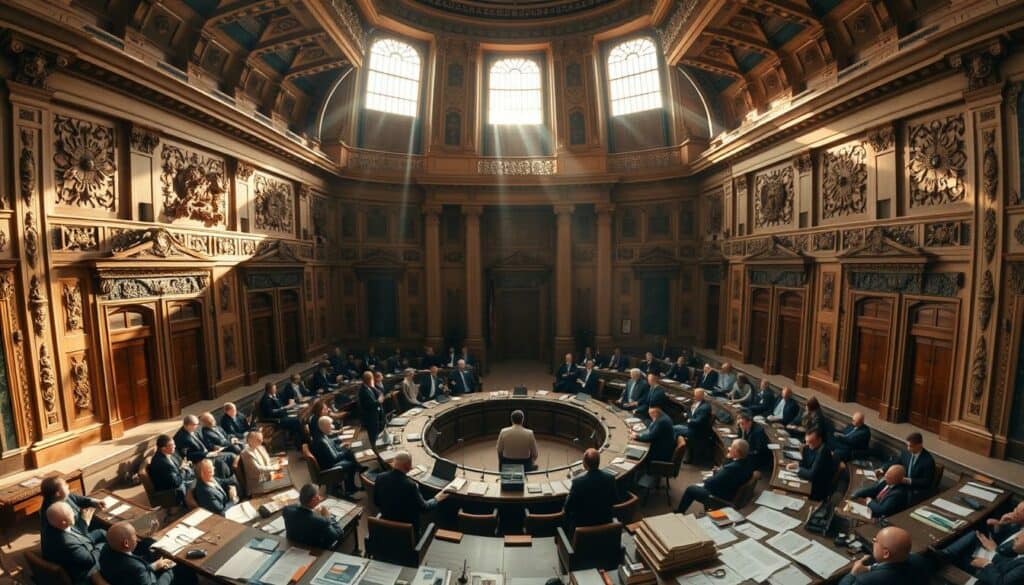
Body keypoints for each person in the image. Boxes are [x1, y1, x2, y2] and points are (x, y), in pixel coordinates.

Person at [374, 451, 448, 534]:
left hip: (385, 528)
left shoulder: (380, 477)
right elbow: (425, 508)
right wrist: (436, 499)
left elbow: (377, 502)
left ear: (394, 463)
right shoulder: (410, 485)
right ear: (408, 466)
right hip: (409, 532)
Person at [938, 501, 1024, 572]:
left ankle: (944, 557)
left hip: (992, 563)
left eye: (1017, 512)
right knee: (976, 531)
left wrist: (994, 549)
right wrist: (999, 525)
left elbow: (1011, 564)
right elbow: (1002, 538)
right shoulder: (1017, 525)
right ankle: (945, 553)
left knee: (961, 554)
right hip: (992, 551)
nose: (1013, 512)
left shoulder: (1021, 538)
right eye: (1015, 508)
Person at [99, 521, 192, 585]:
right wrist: (168, 572)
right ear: (126, 543)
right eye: (134, 536)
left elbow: (132, 572)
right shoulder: (137, 568)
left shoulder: (106, 549)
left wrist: (155, 566)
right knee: (184, 570)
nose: (137, 538)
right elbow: (137, 571)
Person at [676, 439, 752, 513]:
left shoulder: (732, 468)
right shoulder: (747, 464)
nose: (729, 448)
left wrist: (707, 479)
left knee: (691, 489)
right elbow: (727, 476)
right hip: (730, 491)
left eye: (731, 447)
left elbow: (710, 483)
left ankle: (679, 512)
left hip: (720, 497)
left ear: (737, 452)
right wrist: (722, 469)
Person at [42, 502, 102, 584]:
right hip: (83, 572)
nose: (74, 513)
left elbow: (79, 535)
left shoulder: (53, 524)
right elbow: (90, 560)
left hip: (80, 544)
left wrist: (85, 522)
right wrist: (102, 546)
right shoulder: (67, 543)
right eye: (71, 513)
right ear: (64, 522)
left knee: (101, 532)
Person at [563, 449, 621, 531]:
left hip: (582, 528)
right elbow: (615, 500)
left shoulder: (577, 483)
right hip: (605, 523)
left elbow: (567, 508)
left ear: (584, 464)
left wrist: (568, 495)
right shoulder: (610, 478)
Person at [838, 526, 917, 585]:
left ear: (886, 553)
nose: (873, 543)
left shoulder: (864, 581)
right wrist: (870, 568)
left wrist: (853, 573)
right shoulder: (918, 560)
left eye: (875, 541)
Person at [40, 476, 106, 543]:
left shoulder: (62, 497)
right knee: (103, 532)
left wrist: (93, 501)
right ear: (58, 493)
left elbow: (78, 499)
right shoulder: (54, 513)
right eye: (65, 485)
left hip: (82, 525)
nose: (67, 485)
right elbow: (71, 535)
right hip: (77, 539)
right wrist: (85, 522)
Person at [282, 484, 346, 550]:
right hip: (313, 550)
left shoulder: (287, 510)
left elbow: (300, 512)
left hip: (294, 545)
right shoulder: (320, 521)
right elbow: (339, 534)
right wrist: (328, 516)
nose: (320, 498)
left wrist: (311, 511)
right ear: (313, 499)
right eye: (318, 495)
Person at [173, 414, 236, 479]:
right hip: (199, 459)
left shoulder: (192, 430)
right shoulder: (181, 438)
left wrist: (213, 447)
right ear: (189, 425)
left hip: (208, 453)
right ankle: (224, 480)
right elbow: (187, 456)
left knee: (231, 456)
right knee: (221, 463)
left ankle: (233, 477)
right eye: (196, 424)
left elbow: (202, 443)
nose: (198, 426)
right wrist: (206, 454)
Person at [310, 416, 360, 496]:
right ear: (324, 427)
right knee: (351, 462)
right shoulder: (322, 442)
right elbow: (334, 458)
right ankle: (350, 488)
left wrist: (342, 447)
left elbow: (333, 448)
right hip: (329, 467)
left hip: (328, 461)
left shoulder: (322, 435)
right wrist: (345, 452)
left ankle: (352, 483)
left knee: (349, 453)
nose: (333, 427)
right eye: (330, 425)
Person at [880, 432, 936, 498]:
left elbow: (926, 482)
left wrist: (906, 480)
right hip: (901, 484)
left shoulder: (928, 461)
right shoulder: (906, 452)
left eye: (911, 446)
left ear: (919, 445)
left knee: (893, 496)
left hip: (915, 489)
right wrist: (882, 469)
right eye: (907, 445)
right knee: (883, 482)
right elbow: (896, 462)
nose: (908, 448)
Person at [787, 428, 834, 501]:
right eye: (806, 441)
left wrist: (797, 469)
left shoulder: (824, 452)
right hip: (809, 480)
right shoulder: (809, 446)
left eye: (810, 442)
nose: (807, 444)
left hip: (817, 487)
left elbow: (811, 475)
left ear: (819, 440)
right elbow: (805, 463)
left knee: (790, 492)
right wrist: (797, 464)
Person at [147, 434, 194, 504]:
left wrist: (183, 466)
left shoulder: (168, 454)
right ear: (163, 448)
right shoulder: (162, 463)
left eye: (174, 444)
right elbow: (176, 482)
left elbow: (177, 469)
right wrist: (182, 469)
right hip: (171, 491)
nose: (175, 446)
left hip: (178, 482)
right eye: (172, 445)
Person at [358, 371, 384, 444]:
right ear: (370, 379)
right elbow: (370, 405)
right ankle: (375, 448)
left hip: (374, 416)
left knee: (377, 435)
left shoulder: (368, 388)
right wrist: (379, 401)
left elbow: (380, 393)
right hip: (370, 418)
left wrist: (373, 387)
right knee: (373, 437)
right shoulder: (363, 391)